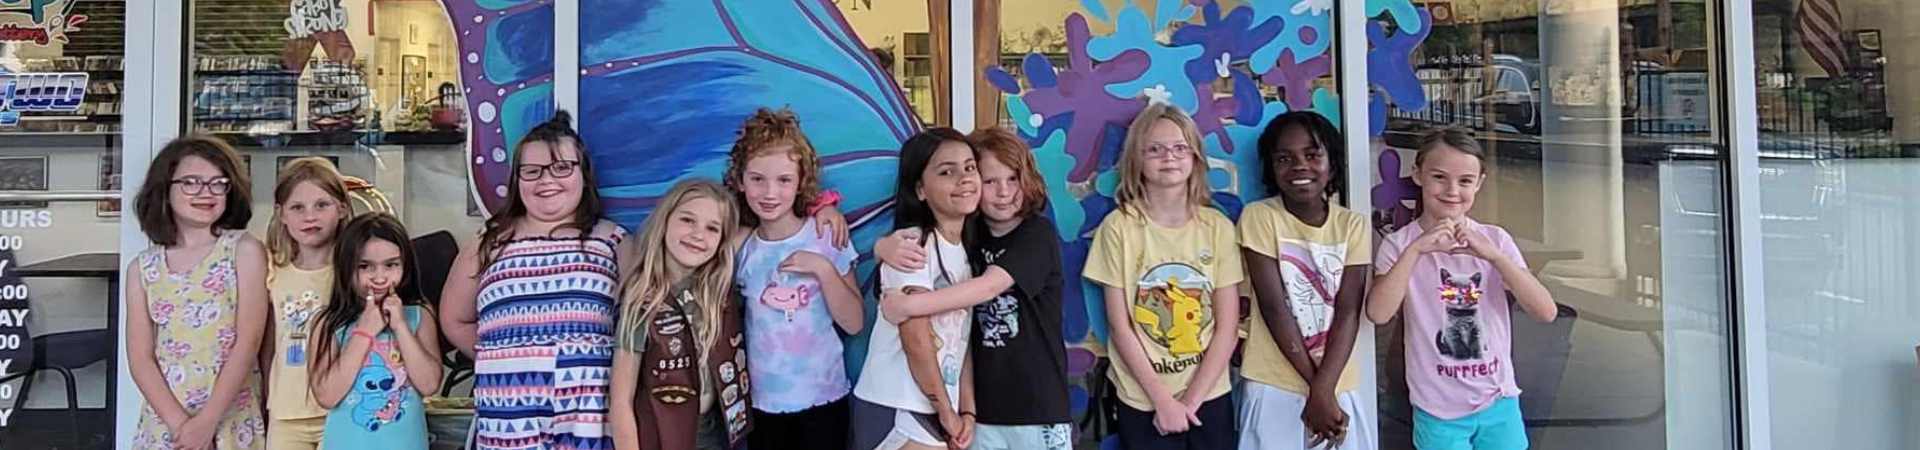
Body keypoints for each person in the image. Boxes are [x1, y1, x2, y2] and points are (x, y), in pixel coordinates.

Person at [872, 127, 1073, 449]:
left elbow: (989, 286)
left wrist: (911, 306)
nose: (1004, 192)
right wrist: (881, 248)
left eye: (1012, 179)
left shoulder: (1036, 233)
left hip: (1037, 405)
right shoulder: (968, 235)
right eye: (991, 181)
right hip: (981, 409)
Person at [439, 112, 627, 450]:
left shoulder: (613, 241)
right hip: (508, 418)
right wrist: (502, 360)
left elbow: (639, 327)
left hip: (588, 417)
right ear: (517, 178)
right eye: (532, 171)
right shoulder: (489, 242)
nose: (546, 180)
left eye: (561, 168)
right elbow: (454, 317)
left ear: (583, 174)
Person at [1365, 127, 1558, 450]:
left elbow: (1546, 312)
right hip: (1436, 407)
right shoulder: (1399, 245)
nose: (1452, 190)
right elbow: (1378, 313)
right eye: (1439, 177)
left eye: (1465, 181)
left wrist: (1495, 257)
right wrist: (1416, 250)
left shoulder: (1495, 239)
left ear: (1480, 183)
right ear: (1418, 174)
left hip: (1499, 399)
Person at [1083, 104, 1242, 450]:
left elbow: (1228, 327)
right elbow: (1120, 326)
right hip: (1142, 397)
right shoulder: (1119, 228)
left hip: (1208, 394)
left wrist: (1191, 401)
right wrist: (1163, 402)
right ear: (1137, 159)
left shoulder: (1216, 228)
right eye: (1154, 149)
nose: (1169, 157)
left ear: (1195, 157)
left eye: (1180, 147)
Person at [722, 109, 864, 450]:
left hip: (824, 400)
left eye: (784, 180)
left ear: (801, 182)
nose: (770, 192)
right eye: (757, 179)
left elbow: (856, 322)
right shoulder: (740, 246)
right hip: (762, 407)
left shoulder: (825, 235)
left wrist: (824, 269)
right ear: (740, 181)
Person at [1237, 112, 1375, 450]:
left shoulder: (1353, 226)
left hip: (1338, 382)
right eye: (1284, 158)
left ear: (1333, 163)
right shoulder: (1260, 217)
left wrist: (1325, 391)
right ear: (1271, 168)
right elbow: (1273, 308)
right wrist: (1320, 392)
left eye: (1312, 155)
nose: (1300, 166)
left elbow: (1347, 312)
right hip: (1274, 380)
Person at [126, 135, 269, 449]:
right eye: (191, 182)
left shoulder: (243, 250)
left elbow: (249, 341)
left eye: (218, 183)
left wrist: (207, 421)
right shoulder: (143, 268)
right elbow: (140, 358)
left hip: (230, 415)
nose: (206, 193)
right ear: (165, 189)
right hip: (167, 423)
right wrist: (182, 426)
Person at [850, 128, 981, 450]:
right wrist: (947, 412)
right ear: (920, 189)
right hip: (898, 402)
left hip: (935, 406)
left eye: (970, 167)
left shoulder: (966, 253)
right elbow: (917, 339)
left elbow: (960, 341)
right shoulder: (910, 247)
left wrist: (967, 410)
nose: (964, 178)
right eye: (947, 172)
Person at [608, 179, 752, 450]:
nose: (698, 234)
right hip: (662, 439)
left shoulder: (717, 289)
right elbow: (620, 401)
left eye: (712, 228)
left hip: (714, 438)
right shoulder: (641, 301)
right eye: (688, 220)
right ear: (664, 222)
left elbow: (767, 226)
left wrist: (822, 210)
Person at [308, 213, 443, 449]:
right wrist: (364, 332)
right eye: (364, 266)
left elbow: (430, 384)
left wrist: (400, 326)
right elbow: (327, 396)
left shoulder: (418, 315)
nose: (379, 277)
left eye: (391, 265)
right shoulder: (328, 322)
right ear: (345, 267)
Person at [260, 157, 353, 450]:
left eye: (321, 205)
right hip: (286, 411)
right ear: (281, 214)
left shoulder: (354, 270)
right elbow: (268, 344)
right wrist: (265, 398)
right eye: (297, 207)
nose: (309, 216)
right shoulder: (273, 269)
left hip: (342, 407)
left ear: (341, 209)